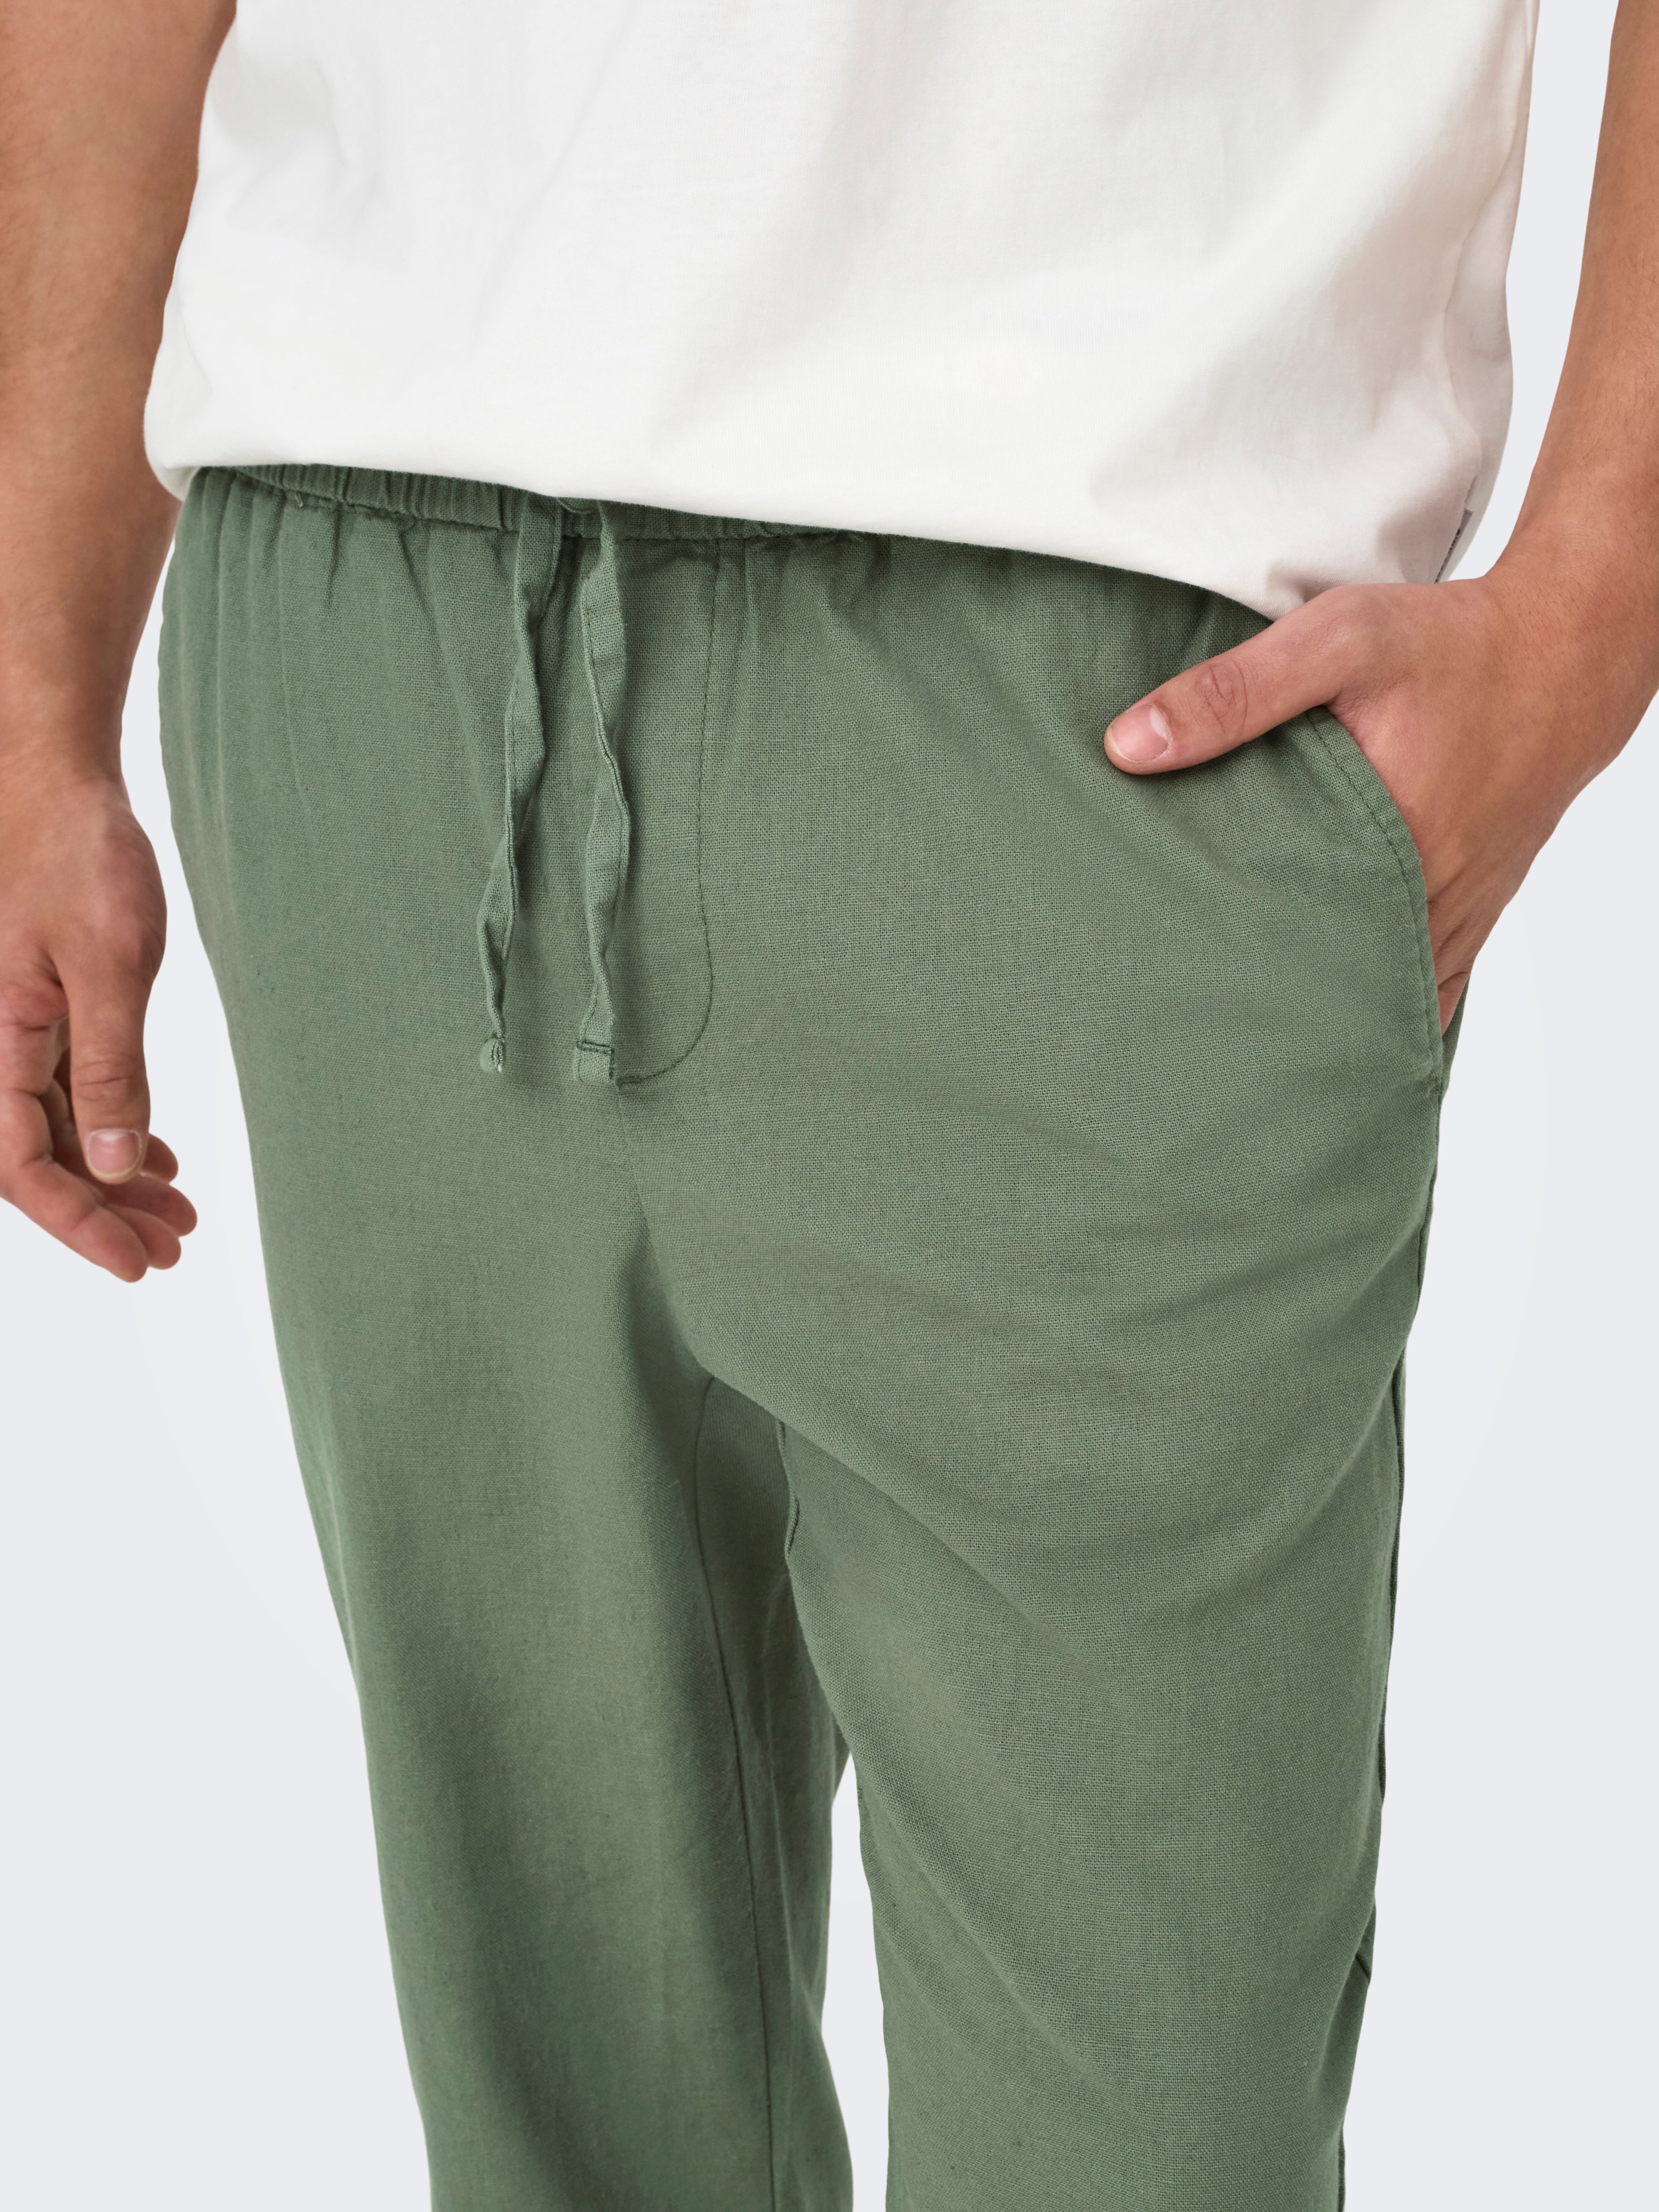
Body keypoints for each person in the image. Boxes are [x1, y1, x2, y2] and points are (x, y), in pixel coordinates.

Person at [0, 2, 1650, 2205]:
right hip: (371, 639)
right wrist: (32, 684)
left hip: (1114, 691)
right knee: (557, 2108)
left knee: (1154, 2136)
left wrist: (1590, 604)